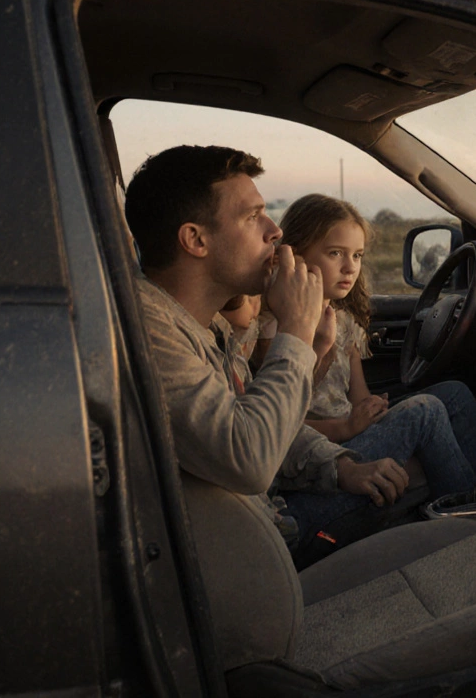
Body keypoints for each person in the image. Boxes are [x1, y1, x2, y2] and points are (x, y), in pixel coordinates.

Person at [123, 145, 414, 550]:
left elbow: (265, 420)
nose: (275, 230)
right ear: (195, 239)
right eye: (252, 216)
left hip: (269, 524)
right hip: (259, 550)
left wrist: (340, 466)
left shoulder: (210, 328)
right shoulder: (151, 334)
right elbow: (250, 456)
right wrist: (296, 330)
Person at [257, 194, 476, 551]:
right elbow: (280, 423)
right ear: (296, 254)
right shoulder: (275, 330)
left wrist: (373, 410)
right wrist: (349, 427)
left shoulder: (345, 323)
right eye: (335, 253)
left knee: (455, 394)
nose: (350, 267)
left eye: (357, 256)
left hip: (350, 431)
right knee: (425, 411)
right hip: (323, 449)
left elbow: (358, 397)